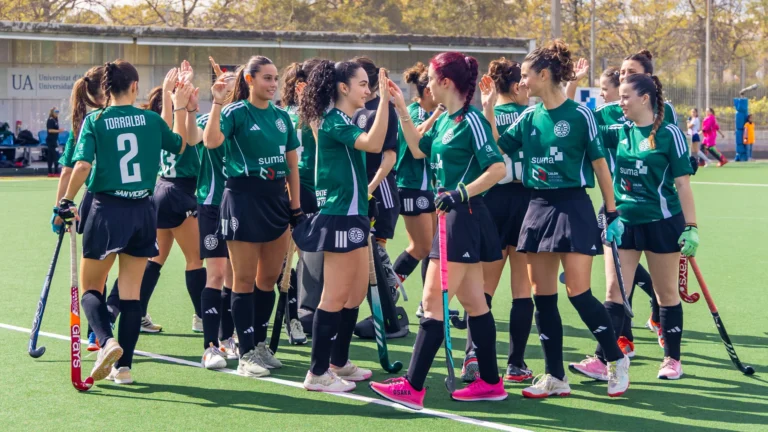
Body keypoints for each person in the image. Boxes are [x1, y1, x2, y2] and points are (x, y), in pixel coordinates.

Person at [370, 51, 508, 409]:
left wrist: (460, 192)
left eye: (431, 78)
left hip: (464, 218)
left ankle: (413, 387)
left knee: (432, 303)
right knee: (475, 304)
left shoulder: (471, 120)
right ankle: (491, 383)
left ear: (446, 83)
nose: (427, 84)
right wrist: (401, 109)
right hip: (453, 217)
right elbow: (417, 149)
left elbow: (496, 169)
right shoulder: (447, 120)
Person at [494, 40, 630, 399]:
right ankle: (555, 377)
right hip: (537, 206)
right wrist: (487, 109)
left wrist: (612, 210)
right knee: (544, 296)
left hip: (573, 205)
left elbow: (601, 164)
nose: (521, 83)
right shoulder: (527, 117)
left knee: (579, 292)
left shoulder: (581, 114)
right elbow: (495, 149)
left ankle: (616, 360)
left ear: (543, 75)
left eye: (525, 76)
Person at [58, 59, 192, 385]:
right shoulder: (149, 119)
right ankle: (125, 369)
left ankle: (106, 341)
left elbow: (83, 167)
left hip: (107, 210)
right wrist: (176, 105)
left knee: (92, 287)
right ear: (135, 87)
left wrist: (65, 201)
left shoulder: (96, 119)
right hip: (143, 211)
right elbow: (179, 143)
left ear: (106, 88)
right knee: (131, 295)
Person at [294, 61, 395, 392]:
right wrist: (386, 105)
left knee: (352, 294)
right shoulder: (335, 120)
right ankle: (318, 372)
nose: (369, 90)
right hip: (339, 214)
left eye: (370, 84)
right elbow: (374, 144)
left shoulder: (337, 119)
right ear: (343, 88)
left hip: (353, 213)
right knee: (335, 295)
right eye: (363, 84)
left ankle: (337, 362)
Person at [203, 55, 300, 378]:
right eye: (266, 78)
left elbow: (291, 166)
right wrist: (216, 104)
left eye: (275, 79)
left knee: (268, 279)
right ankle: (244, 352)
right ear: (249, 80)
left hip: (276, 201)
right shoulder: (235, 113)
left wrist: (295, 207)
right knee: (243, 279)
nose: (272, 85)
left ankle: (259, 345)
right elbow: (212, 141)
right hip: (242, 199)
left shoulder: (283, 118)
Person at [598, 73, 697, 379]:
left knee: (666, 292)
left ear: (644, 99)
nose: (620, 102)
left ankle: (672, 359)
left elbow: (682, 184)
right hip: (624, 222)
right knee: (615, 291)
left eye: (625, 97)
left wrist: (691, 226)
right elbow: (585, 133)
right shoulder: (621, 130)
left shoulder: (670, 133)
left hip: (662, 222)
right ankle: (604, 359)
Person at [566, 63, 662, 359]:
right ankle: (622, 340)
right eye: (617, 77)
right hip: (616, 198)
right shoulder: (606, 113)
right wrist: (572, 83)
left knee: (639, 275)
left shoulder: (655, 114)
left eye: (628, 72)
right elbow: (574, 118)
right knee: (618, 274)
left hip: (647, 206)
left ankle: (658, 311)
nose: (619, 80)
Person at [463, 57, 534, 384]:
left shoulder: (481, 116)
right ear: (517, 85)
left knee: (483, 287)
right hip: (527, 202)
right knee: (523, 286)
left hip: (492, 200)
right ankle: (516, 363)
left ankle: (473, 357)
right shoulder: (533, 116)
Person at [53, 66, 106, 352]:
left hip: (92, 203)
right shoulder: (120, 118)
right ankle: (103, 326)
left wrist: (59, 208)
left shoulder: (83, 123)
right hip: (126, 203)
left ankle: (97, 330)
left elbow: (67, 172)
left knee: (98, 272)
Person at [188, 70, 238, 369]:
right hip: (211, 205)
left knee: (237, 275)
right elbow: (193, 138)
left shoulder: (247, 118)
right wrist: (191, 107)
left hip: (241, 206)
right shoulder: (208, 120)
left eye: (233, 86)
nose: (228, 90)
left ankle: (229, 337)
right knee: (217, 274)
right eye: (224, 86)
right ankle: (210, 347)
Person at [391, 62, 442, 310]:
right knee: (420, 247)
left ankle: (427, 301)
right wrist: (437, 115)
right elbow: (418, 144)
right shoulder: (410, 112)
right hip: (410, 185)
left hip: (427, 188)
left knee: (434, 248)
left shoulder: (434, 114)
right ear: (428, 91)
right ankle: (389, 285)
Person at [280, 58, 324, 345]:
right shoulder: (293, 114)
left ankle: (299, 316)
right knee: (288, 260)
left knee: (294, 259)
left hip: (311, 191)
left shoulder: (297, 113)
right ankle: (293, 317)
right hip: (299, 190)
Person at [351, 57, 402, 298]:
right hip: (359, 189)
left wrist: (369, 188)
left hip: (380, 191)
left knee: (376, 251)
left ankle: (386, 306)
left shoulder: (384, 109)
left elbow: (389, 157)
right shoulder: (353, 109)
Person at [619, 50, 678, 126]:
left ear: (647, 76)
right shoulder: (606, 111)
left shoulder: (664, 109)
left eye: (632, 72)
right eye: (622, 72)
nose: (625, 76)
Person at [46, 107, 64, 176]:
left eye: (58, 112)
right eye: (56, 112)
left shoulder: (55, 119)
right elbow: (50, 130)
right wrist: (59, 131)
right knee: (55, 156)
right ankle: (55, 171)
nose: (57, 113)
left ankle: (50, 172)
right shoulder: (50, 120)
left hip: (54, 140)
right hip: (51, 141)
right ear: (52, 112)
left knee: (51, 156)